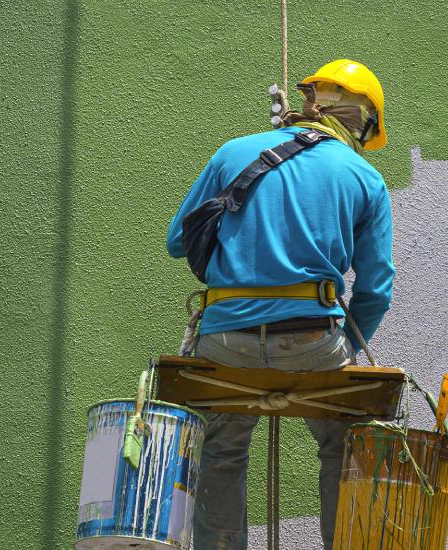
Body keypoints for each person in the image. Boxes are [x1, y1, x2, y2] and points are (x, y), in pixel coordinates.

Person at [166, 58, 394, 550]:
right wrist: (348, 347)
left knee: (222, 449)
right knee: (343, 444)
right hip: (313, 339)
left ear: (312, 102)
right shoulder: (364, 177)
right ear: (361, 120)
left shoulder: (235, 152)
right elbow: (376, 289)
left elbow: (177, 241)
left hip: (225, 337)